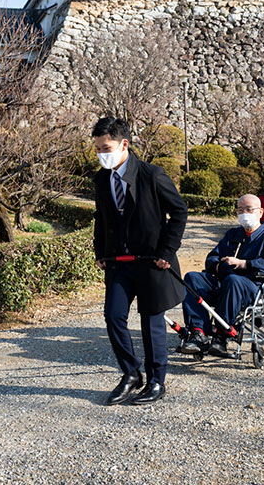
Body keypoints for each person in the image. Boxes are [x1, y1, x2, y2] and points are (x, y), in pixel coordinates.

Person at [92, 117, 188, 406]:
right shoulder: (101, 178)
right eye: (97, 149)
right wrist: (100, 252)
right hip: (118, 262)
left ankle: (157, 380)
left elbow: (179, 213)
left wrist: (166, 252)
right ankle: (131, 372)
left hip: (151, 262)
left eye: (105, 148)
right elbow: (101, 219)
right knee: (113, 316)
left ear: (125, 144)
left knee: (151, 322)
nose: (101, 154)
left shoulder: (152, 175)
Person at [178, 194, 264, 357]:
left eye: (249, 210)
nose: (244, 214)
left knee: (233, 281)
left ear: (261, 212)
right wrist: (217, 264)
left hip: (252, 285)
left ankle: (222, 335)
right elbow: (212, 256)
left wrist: (244, 263)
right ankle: (198, 332)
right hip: (223, 280)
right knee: (192, 278)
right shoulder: (233, 234)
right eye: (240, 210)